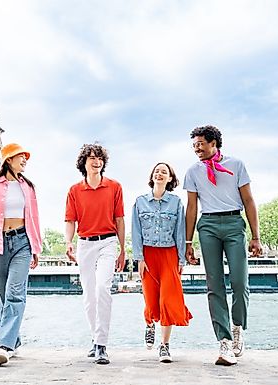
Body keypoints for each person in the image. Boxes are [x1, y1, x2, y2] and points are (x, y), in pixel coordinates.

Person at [183, 125, 263, 366]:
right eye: (194, 145)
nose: (196, 148)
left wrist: (255, 236)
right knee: (214, 284)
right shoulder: (193, 171)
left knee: (240, 282)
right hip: (207, 226)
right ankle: (224, 341)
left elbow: (248, 200)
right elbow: (192, 208)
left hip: (233, 223)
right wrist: (188, 242)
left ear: (214, 143)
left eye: (200, 144)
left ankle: (237, 326)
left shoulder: (236, 164)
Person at [0, 143, 42, 366]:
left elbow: (34, 218)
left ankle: (3, 345)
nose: (25, 160)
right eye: (20, 157)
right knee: (2, 297)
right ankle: (14, 340)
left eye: (25, 158)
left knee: (15, 293)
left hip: (22, 242)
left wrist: (36, 247)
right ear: (8, 160)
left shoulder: (28, 187)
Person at [65, 143, 125, 365]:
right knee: (89, 296)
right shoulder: (74, 190)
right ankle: (95, 338)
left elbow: (119, 220)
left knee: (102, 288)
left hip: (108, 242)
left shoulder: (115, 187)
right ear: (84, 163)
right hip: (84, 244)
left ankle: (102, 345)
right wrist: (68, 242)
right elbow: (70, 220)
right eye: (91, 157)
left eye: (99, 157)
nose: (96, 160)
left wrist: (122, 249)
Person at [131, 162, 192, 363]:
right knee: (150, 299)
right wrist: (139, 257)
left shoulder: (176, 203)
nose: (160, 174)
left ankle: (164, 346)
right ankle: (150, 324)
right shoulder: (140, 202)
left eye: (164, 172)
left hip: (169, 254)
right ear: (152, 176)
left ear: (170, 179)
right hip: (148, 255)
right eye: (157, 171)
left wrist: (181, 259)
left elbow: (180, 232)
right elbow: (136, 232)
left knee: (168, 299)